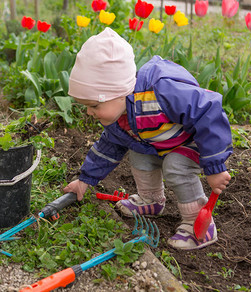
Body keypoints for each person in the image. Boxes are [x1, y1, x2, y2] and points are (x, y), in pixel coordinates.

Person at [63, 27, 232, 250]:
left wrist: (215, 166)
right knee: (138, 151)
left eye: (94, 105)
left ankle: (199, 224)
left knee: (175, 166)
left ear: (119, 91)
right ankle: (151, 200)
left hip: (191, 139)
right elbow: (106, 149)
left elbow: (208, 111)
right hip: (156, 142)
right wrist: (85, 180)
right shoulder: (117, 119)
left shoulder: (161, 91)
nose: (89, 112)